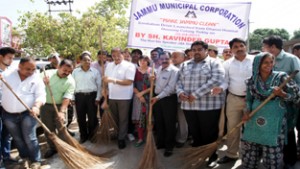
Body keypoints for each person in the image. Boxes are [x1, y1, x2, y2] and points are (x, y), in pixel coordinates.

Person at [241, 52, 300, 169]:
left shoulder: (282, 77)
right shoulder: (252, 81)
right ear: (258, 64)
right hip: (254, 118)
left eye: (271, 62)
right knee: (252, 145)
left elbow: (297, 96)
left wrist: (282, 94)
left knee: (272, 148)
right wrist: (247, 112)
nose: (269, 65)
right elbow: (248, 99)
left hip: (275, 120)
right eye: (265, 62)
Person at [176, 40, 225, 168]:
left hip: (208, 106)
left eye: (199, 49)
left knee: (209, 133)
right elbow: (178, 81)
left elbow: (216, 80)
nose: (196, 52)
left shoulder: (215, 63)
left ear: (206, 50)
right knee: (195, 132)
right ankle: (198, 154)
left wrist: (195, 95)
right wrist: (180, 92)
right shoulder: (184, 65)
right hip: (188, 106)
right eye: (194, 50)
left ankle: (212, 156)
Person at [0, 57, 46, 169]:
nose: (31, 72)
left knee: (30, 138)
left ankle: (36, 160)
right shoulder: (7, 75)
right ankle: (25, 158)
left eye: (33, 69)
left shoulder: (36, 78)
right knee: (17, 139)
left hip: (28, 113)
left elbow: (40, 95)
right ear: (19, 66)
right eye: (27, 69)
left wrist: (36, 106)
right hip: (8, 115)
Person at [262, 35, 300, 169]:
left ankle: (290, 160)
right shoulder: (267, 60)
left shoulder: (291, 59)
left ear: (272, 47)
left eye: (265, 46)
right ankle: (281, 157)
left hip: (290, 102)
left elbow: (298, 82)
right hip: (273, 103)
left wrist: (292, 97)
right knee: (279, 130)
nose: (263, 49)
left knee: (289, 130)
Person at [214, 38, 253, 164]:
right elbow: (225, 82)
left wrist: (253, 95)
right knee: (232, 128)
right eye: (235, 47)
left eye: (241, 45)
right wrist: (220, 88)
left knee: (252, 128)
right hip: (233, 99)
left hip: (252, 100)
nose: (239, 48)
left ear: (245, 47)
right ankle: (232, 154)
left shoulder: (255, 60)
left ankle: (250, 155)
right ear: (231, 50)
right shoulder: (227, 64)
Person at [41, 59, 75, 158]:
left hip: (60, 105)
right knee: (48, 128)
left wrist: (62, 111)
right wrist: (43, 83)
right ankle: (53, 148)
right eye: (65, 70)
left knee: (62, 128)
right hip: (45, 105)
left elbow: (67, 96)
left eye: (69, 71)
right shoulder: (46, 74)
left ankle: (65, 148)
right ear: (59, 67)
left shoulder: (71, 81)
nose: (67, 73)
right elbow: (35, 87)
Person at [103, 47, 136, 149]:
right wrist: (105, 91)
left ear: (123, 54)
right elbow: (105, 79)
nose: (116, 57)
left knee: (123, 119)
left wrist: (113, 80)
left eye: (118, 55)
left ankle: (121, 138)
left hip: (124, 97)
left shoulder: (129, 66)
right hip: (112, 96)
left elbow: (129, 82)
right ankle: (116, 134)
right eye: (114, 56)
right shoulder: (109, 65)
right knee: (114, 118)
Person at [152, 51, 179, 157]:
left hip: (168, 99)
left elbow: (170, 88)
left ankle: (169, 147)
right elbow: (157, 85)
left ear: (171, 59)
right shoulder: (159, 68)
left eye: (166, 59)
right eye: (162, 58)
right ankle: (161, 143)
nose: (164, 61)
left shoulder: (174, 71)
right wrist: (153, 80)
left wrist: (157, 97)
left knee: (169, 124)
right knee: (159, 122)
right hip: (157, 99)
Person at [72, 52, 101, 144]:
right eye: (84, 60)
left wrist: (98, 98)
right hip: (79, 97)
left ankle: (93, 136)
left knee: (93, 118)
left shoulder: (95, 72)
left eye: (89, 60)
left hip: (92, 97)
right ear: (80, 61)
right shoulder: (75, 72)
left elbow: (99, 85)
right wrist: (72, 98)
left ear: (91, 61)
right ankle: (83, 136)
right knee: (81, 118)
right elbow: (72, 85)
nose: (87, 62)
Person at [0, 47, 19, 168]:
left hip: (7, 107)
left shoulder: (9, 72)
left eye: (13, 58)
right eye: (9, 58)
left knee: (6, 134)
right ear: (1, 57)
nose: (12, 60)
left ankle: (6, 156)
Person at [132, 55, 152, 147]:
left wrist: (143, 93)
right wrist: (139, 95)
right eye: (141, 60)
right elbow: (132, 85)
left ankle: (148, 137)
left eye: (145, 60)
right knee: (139, 118)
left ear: (148, 61)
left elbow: (152, 86)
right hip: (137, 97)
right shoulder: (135, 71)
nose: (143, 62)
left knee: (148, 117)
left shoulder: (151, 70)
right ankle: (140, 138)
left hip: (149, 97)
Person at [171, 51, 188, 148]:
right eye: (172, 56)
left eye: (176, 56)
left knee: (182, 120)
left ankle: (182, 139)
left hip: (181, 98)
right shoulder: (171, 67)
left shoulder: (186, 68)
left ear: (183, 58)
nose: (173, 58)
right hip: (170, 98)